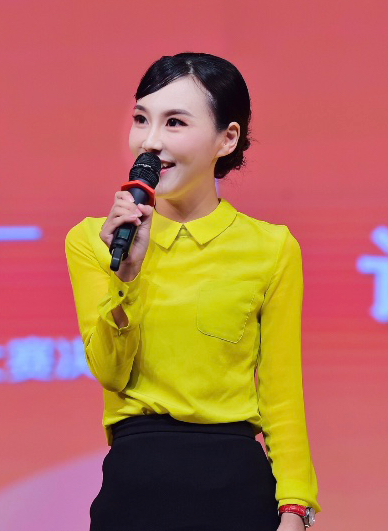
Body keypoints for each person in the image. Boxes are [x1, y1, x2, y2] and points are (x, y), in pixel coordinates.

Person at [65, 52, 320, 531]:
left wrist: (295, 505)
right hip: (135, 486)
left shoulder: (271, 248)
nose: (150, 141)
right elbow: (110, 372)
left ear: (227, 138)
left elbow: (282, 392)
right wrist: (126, 279)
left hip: (235, 487)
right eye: (141, 119)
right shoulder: (95, 240)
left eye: (175, 122)